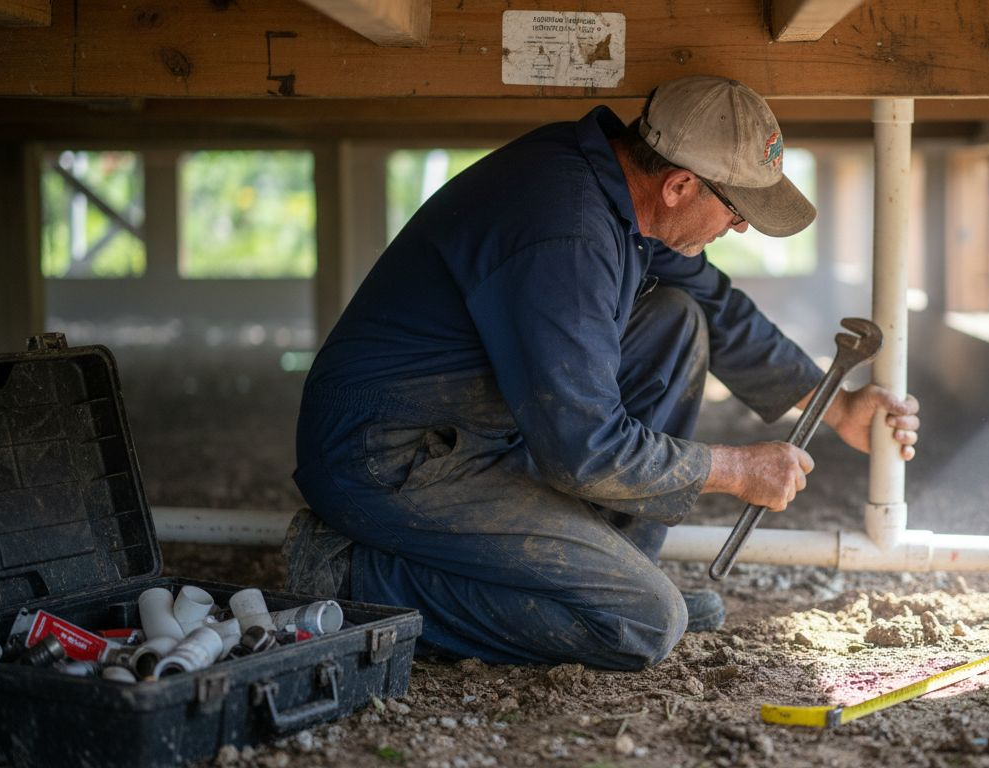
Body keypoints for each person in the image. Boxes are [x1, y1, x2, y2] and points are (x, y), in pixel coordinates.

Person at [284, 75, 920, 671]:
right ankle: (354, 574)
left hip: (472, 423)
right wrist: (733, 470)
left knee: (677, 319)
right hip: (390, 456)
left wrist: (838, 407)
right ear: (679, 186)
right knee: (643, 623)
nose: (741, 224)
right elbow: (585, 449)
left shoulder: (616, 186)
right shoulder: (566, 233)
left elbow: (716, 305)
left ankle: (609, 570)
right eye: (735, 208)